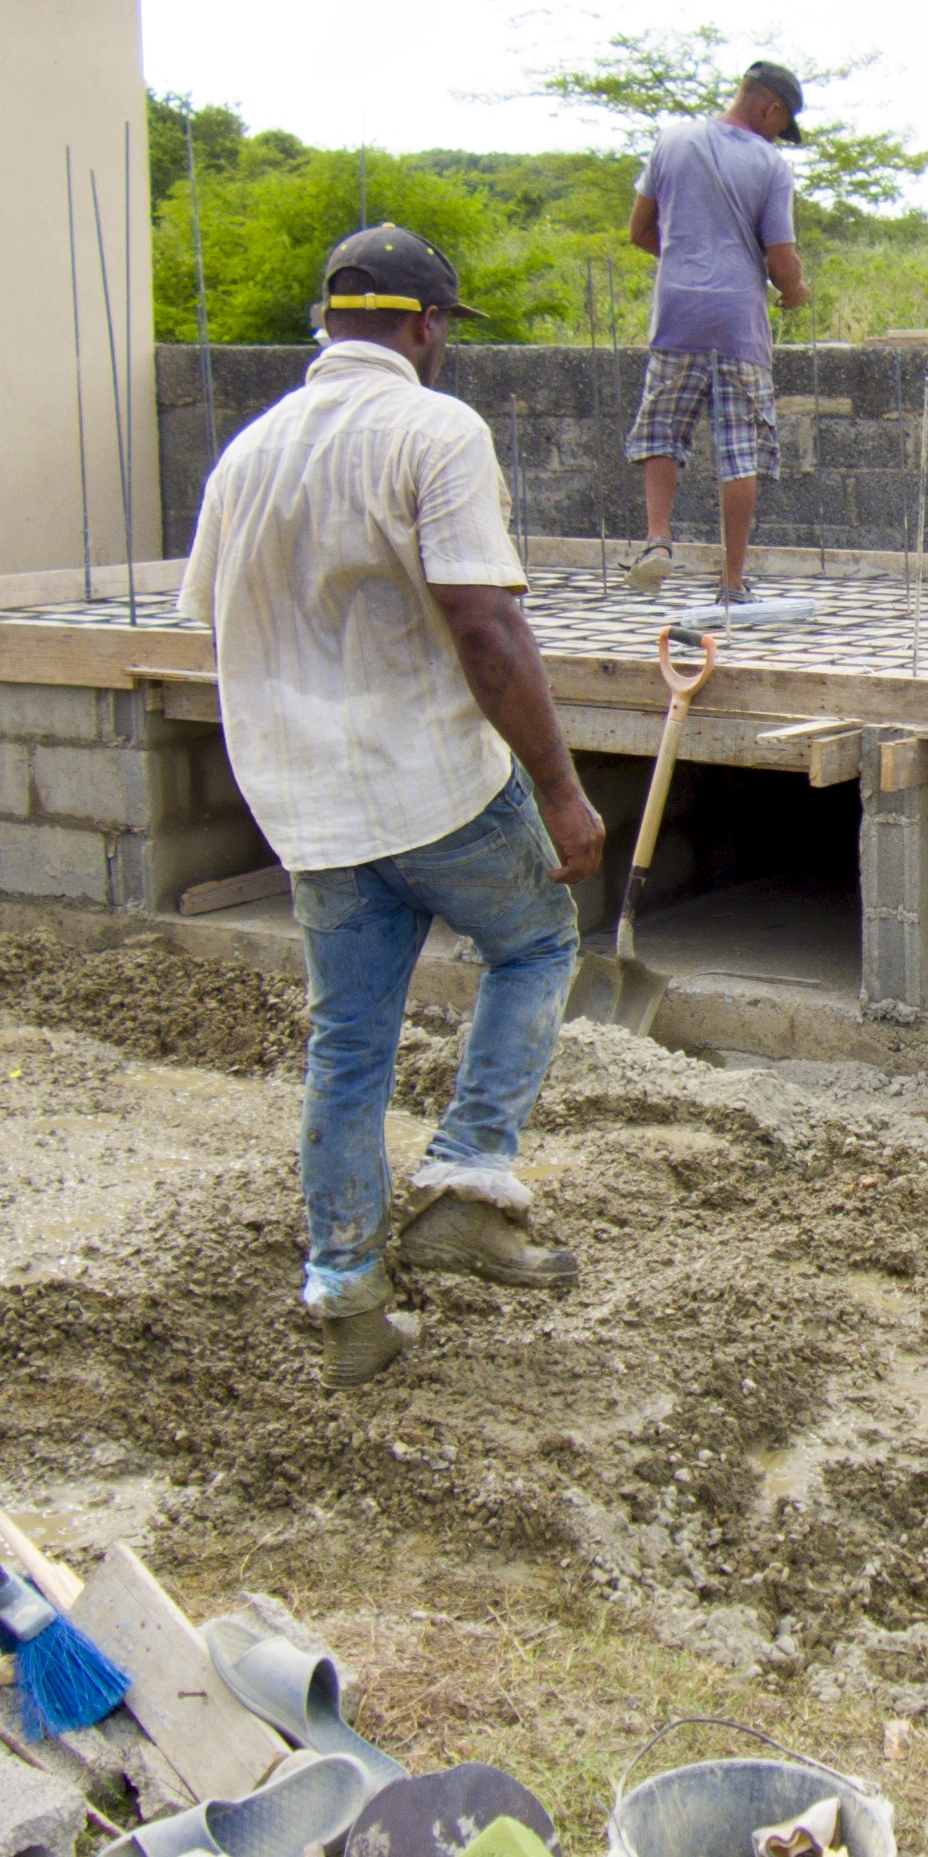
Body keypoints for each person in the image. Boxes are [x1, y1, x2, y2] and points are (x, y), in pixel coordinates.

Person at [180, 225, 612, 1388]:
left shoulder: (248, 451)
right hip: (430, 782)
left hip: (307, 803)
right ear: (425, 326)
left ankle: (346, 1296)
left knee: (349, 1048)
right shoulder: (435, 430)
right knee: (536, 942)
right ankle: (468, 1180)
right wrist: (561, 790)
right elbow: (485, 623)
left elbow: (215, 619)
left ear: (329, 323)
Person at [621, 59, 809, 604]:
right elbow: (781, 259)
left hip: (677, 313)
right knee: (740, 448)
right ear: (771, 108)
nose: (778, 135)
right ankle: (731, 582)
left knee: (661, 429)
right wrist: (794, 291)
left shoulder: (672, 141)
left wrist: (686, 261)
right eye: (782, 123)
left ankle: (658, 540)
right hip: (737, 323)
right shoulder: (770, 166)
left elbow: (639, 230)